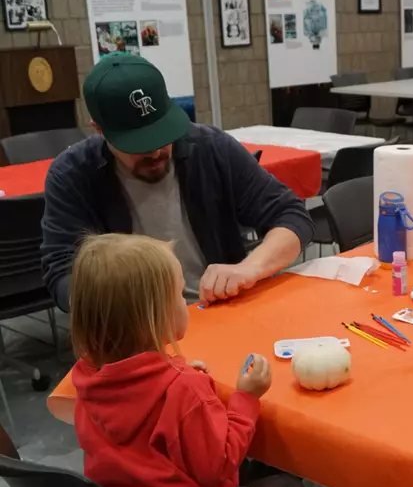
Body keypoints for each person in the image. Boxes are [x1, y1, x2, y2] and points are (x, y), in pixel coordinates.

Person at [70, 233, 305, 487]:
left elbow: (138, 399)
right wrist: (246, 398)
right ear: (154, 316)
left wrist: (173, 370)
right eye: (180, 294)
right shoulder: (184, 389)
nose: (186, 301)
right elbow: (221, 464)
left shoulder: (86, 377)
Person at [41, 53, 313, 311]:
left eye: (162, 135)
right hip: (134, 332)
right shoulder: (72, 176)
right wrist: (125, 304)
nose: (155, 152)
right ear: (99, 129)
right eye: (138, 144)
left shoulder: (211, 148)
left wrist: (249, 268)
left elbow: (291, 216)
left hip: (222, 308)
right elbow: (63, 275)